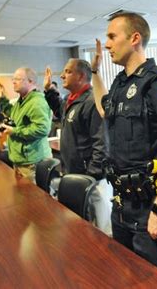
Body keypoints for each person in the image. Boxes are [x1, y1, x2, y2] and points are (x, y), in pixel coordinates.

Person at [91, 12, 157, 276]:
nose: (107, 45)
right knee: (127, 275)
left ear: (134, 38)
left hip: (151, 207)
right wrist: (94, 72)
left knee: (153, 280)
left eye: (112, 36)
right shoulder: (121, 83)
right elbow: (105, 109)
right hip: (121, 205)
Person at [44, 61, 112, 234]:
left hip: (91, 180)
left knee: (99, 231)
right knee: (81, 227)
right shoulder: (71, 99)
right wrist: (50, 91)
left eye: (67, 71)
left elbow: (102, 143)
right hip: (74, 174)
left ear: (81, 76)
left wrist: (91, 175)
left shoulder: (92, 101)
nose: (62, 75)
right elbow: (60, 111)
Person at [0, 67, 52, 183]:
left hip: (32, 162)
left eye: (17, 79)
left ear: (30, 81)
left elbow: (42, 129)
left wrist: (14, 131)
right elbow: (12, 113)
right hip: (21, 160)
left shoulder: (37, 102)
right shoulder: (22, 100)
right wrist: (2, 98)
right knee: (22, 197)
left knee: (34, 199)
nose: (13, 82)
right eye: (13, 79)